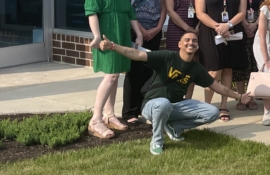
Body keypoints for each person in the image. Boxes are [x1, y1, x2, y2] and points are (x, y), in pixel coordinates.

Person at [99, 30, 251, 155]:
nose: (191, 42)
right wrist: (113, 46)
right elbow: (136, 54)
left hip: (174, 106)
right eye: (187, 40)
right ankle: (157, 140)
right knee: (163, 103)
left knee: (212, 112)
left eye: (194, 41)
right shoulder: (167, 57)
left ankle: (174, 128)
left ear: (197, 46)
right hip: (151, 105)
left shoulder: (196, 68)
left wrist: (239, 96)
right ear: (179, 44)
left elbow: (218, 87)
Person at [86, 0, 145, 139]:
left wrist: (138, 34)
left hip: (122, 33)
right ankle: (96, 119)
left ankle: (110, 115)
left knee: (116, 74)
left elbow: (129, 12)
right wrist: (97, 36)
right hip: (107, 33)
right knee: (111, 75)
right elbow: (91, 10)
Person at [194, 0, 249, 122]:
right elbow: (200, 13)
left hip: (232, 32)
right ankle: (207, 107)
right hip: (211, 33)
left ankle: (223, 106)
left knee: (227, 69)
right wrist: (218, 27)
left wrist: (228, 25)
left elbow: (242, 12)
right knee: (213, 71)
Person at [121, 0, 165, 125]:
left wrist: (158, 27)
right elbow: (128, 8)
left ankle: (145, 109)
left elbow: (163, 7)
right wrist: (141, 31)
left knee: (149, 72)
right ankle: (130, 112)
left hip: (154, 32)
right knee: (134, 71)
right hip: (135, 32)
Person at [233, 0, 270, 108]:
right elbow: (234, 3)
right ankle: (241, 97)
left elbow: (267, 4)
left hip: (259, 22)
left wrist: (255, 25)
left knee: (254, 61)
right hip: (239, 22)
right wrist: (244, 23)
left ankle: (252, 97)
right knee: (240, 60)